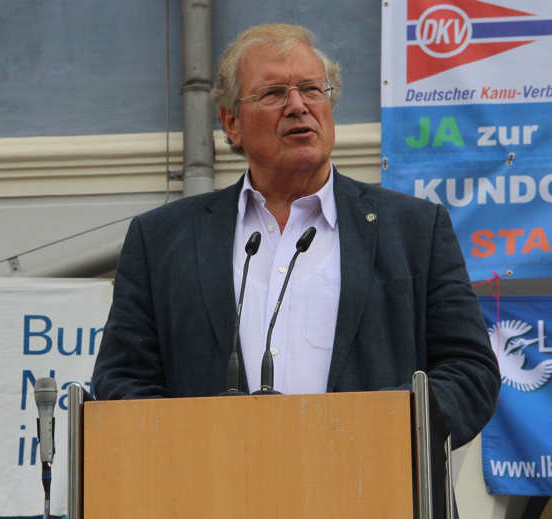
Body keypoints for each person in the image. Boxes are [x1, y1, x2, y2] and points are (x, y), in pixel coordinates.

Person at [92, 23, 500, 449]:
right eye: (272, 94)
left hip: (375, 489)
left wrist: (391, 434)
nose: (297, 106)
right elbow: (123, 378)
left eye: (312, 89)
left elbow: (469, 369)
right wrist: (188, 451)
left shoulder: (415, 229)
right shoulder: (160, 240)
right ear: (232, 123)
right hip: (215, 493)